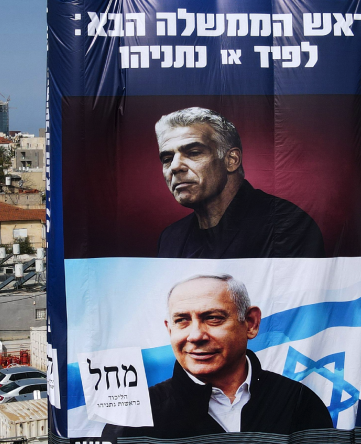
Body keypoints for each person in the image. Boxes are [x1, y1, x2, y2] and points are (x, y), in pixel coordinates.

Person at [103, 275, 332, 438]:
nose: (195, 335)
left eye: (212, 318)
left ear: (250, 323)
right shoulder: (134, 416)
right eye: (182, 320)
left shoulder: (299, 402)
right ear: (169, 329)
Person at [154, 107, 325, 258]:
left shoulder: (286, 225)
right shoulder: (170, 238)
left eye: (194, 152)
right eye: (167, 159)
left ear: (231, 160)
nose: (175, 167)